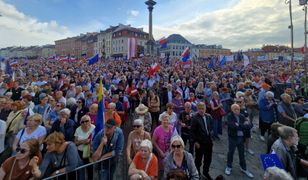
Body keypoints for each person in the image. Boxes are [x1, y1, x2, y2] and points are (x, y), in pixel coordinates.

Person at [224, 104, 254, 178]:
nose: (237, 110)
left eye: (238, 109)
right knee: (231, 153)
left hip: (241, 138)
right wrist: (243, 126)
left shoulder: (242, 116)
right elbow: (232, 126)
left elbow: (250, 126)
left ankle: (243, 168)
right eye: (235, 109)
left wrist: (239, 125)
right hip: (233, 138)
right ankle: (229, 166)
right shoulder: (229, 116)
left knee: (242, 154)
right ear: (232, 110)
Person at [190, 102, 213, 179]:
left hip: (209, 142)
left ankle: (206, 172)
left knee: (208, 159)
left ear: (205, 109)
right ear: (197, 109)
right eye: (199, 109)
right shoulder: (195, 118)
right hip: (200, 143)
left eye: (203, 108)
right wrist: (195, 141)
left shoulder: (208, 116)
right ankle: (197, 173)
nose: (201, 110)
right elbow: (192, 131)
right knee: (198, 160)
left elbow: (210, 127)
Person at [152, 113, 174, 178]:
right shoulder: (157, 129)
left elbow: (176, 139)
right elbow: (153, 141)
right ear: (161, 121)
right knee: (161, 169)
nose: (165, 121)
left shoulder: (172, 128)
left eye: (167, 120)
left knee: (170, 168)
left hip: (170, 151)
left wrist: (172, 149)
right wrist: (159, 151)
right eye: (164, 120)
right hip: (160, 152)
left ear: (169, 121)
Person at [74, 115, 95, 180]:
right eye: (82, 122)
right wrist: (83, 141)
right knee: (81, 168)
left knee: (90, 168)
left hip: (90, 151)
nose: (85, 123)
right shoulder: (78, 129)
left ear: (90, 121)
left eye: (86, 121)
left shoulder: (94, 128)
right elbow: (75, 142)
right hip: (80, 152)